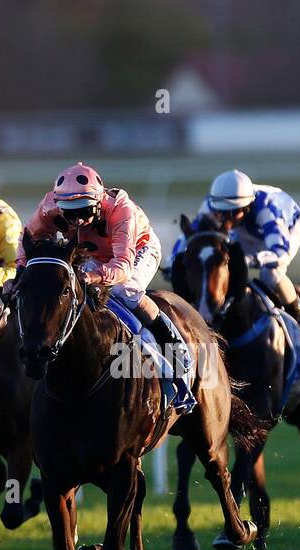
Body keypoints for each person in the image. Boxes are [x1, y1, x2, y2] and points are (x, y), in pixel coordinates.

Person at [17, 162, 194, 412]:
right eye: (70, 214)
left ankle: (173, 345)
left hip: (137, 249)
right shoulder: (49, 208)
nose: (78, 221)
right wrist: (20, 272)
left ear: (99, 203)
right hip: (92, 256)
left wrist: (94, 277)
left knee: (125, 291)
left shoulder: (121, 210)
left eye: (84, 211)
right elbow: (26, 241)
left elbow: (122, 266)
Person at [171, 169, 300, 337]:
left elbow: (279, 252)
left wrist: (254, 259)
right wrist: (172, 259)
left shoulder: (265, 209)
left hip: (285, 233)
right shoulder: (211, 206)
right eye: (219, 212)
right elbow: (190, 237)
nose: (223, 219)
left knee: (271, 273)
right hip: (244, 232)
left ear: (247, 208)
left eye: (230, 212)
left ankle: (299, 316)